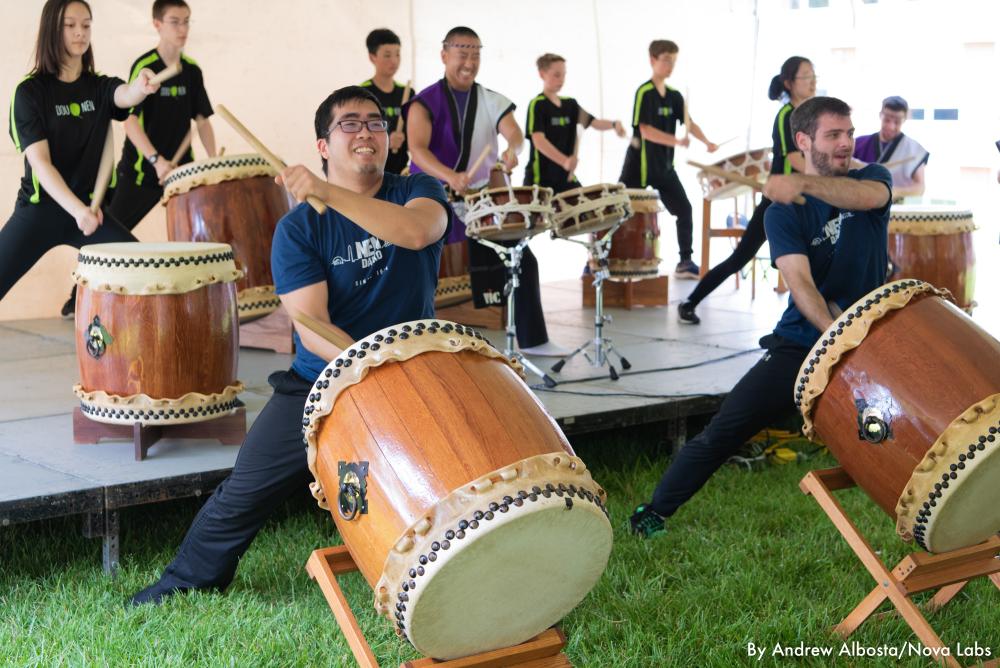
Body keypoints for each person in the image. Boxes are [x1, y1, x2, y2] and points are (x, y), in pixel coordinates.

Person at [128, 85, 450, 605]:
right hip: (320, 378)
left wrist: (329, 194)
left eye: (375, 122)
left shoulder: (419, 190)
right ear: (323, 146)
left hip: (414, 364)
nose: (365, 132)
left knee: (461, 463)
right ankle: (184, 581)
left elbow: (415, 234)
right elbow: (312, 327)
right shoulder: (298, 229)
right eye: (349, 124)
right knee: (245, 490)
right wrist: (372, 374)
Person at [630, 96, 892, 538]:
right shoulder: (783, 212)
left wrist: (805, 185)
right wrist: (838, 340)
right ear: (804, 140)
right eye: (834, 135)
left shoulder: (871, 177)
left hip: (875, 335)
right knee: (724, 430)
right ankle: (655, 511)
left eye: (849, 132)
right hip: (804, 341)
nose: (846, 143)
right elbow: (801, 285)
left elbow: (868, 198)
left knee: (897, 428)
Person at [406, 26, 563, 356]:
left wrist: (512, 151)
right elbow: (417, 151)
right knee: (415, 258)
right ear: (444, 55)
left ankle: (534, 340)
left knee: (520, 255)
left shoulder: (491, 100)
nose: (469, 62)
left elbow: (515, 135)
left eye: (475, 55)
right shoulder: (424, 102)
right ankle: (412, 335)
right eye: (462, 54)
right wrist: (449, 176)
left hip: (478, 199)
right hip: (431, 195)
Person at [57, 0, 216, 317]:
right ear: (157, 24)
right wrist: (156, 160)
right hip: (142, 172)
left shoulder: (192, 71)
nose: (182, 29)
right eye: (175, 21)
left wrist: (212, 166)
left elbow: (202, 121)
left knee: (196, 236)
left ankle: (196, 302)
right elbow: (128, 121)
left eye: (187, 21)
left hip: (181, 174)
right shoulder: (146, 66)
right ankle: (81, 295)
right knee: (107, 238)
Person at [2, 0, 159, 307]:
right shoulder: (30, 92)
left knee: (146, 271)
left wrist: (142, 87)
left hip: (91, 211)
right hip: (40, 210)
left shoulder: (99, 87)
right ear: (52, 29)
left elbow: (125, 95)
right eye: (70, 25)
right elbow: (40, 163)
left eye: (86, 25)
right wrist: (78, 211)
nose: (80, 33)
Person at [678, 56, 815, 324]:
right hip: (779, 203)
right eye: (806, 76)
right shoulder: (787, 115)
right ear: (789, 83)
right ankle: (690, 302)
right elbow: (794, 160)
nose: (812, 82)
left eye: (814, 76)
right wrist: (830, 179)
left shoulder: (809, 116)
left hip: (803, 200)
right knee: (739, 259)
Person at [620, 40, 719, 280]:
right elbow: (645, 130)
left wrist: (706, 142)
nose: (670, 65)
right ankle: (599, 261)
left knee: (684, 209)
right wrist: (676, 141)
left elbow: (689, 122)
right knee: (620, 212)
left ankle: (685, 261)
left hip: (664, 167)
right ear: (652, 60)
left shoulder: (674, 96)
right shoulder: (644, 93)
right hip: (639, 166)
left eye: (673, 61)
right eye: (665, 60)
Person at [523, 53, 625, 192]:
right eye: (556, 75)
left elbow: (594, 123)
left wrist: (614, 124)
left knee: (589, 207)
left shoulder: (570, 104)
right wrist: (564, 161)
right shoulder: (538, 104)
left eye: (564, 75)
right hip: (540, 180)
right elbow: (539, 141)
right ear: (542, 74)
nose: (562, 80)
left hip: (566, 178)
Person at [853, 96, 928, 198]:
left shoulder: (914, 150)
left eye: (897, 122)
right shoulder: (858, 143)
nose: (891, 126)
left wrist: (894, 192)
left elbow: (920, 188)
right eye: (886, 120)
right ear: (880, 115)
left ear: (905, 119)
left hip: (896, 210)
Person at [360, 28, 409, 175]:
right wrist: (386, 142)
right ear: (372, 57)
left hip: (402, 172)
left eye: (397, 54)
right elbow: (359, 135)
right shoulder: (362, 93)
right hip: (371, 172)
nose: (394, 61)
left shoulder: (407, 92)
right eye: (387, 55)